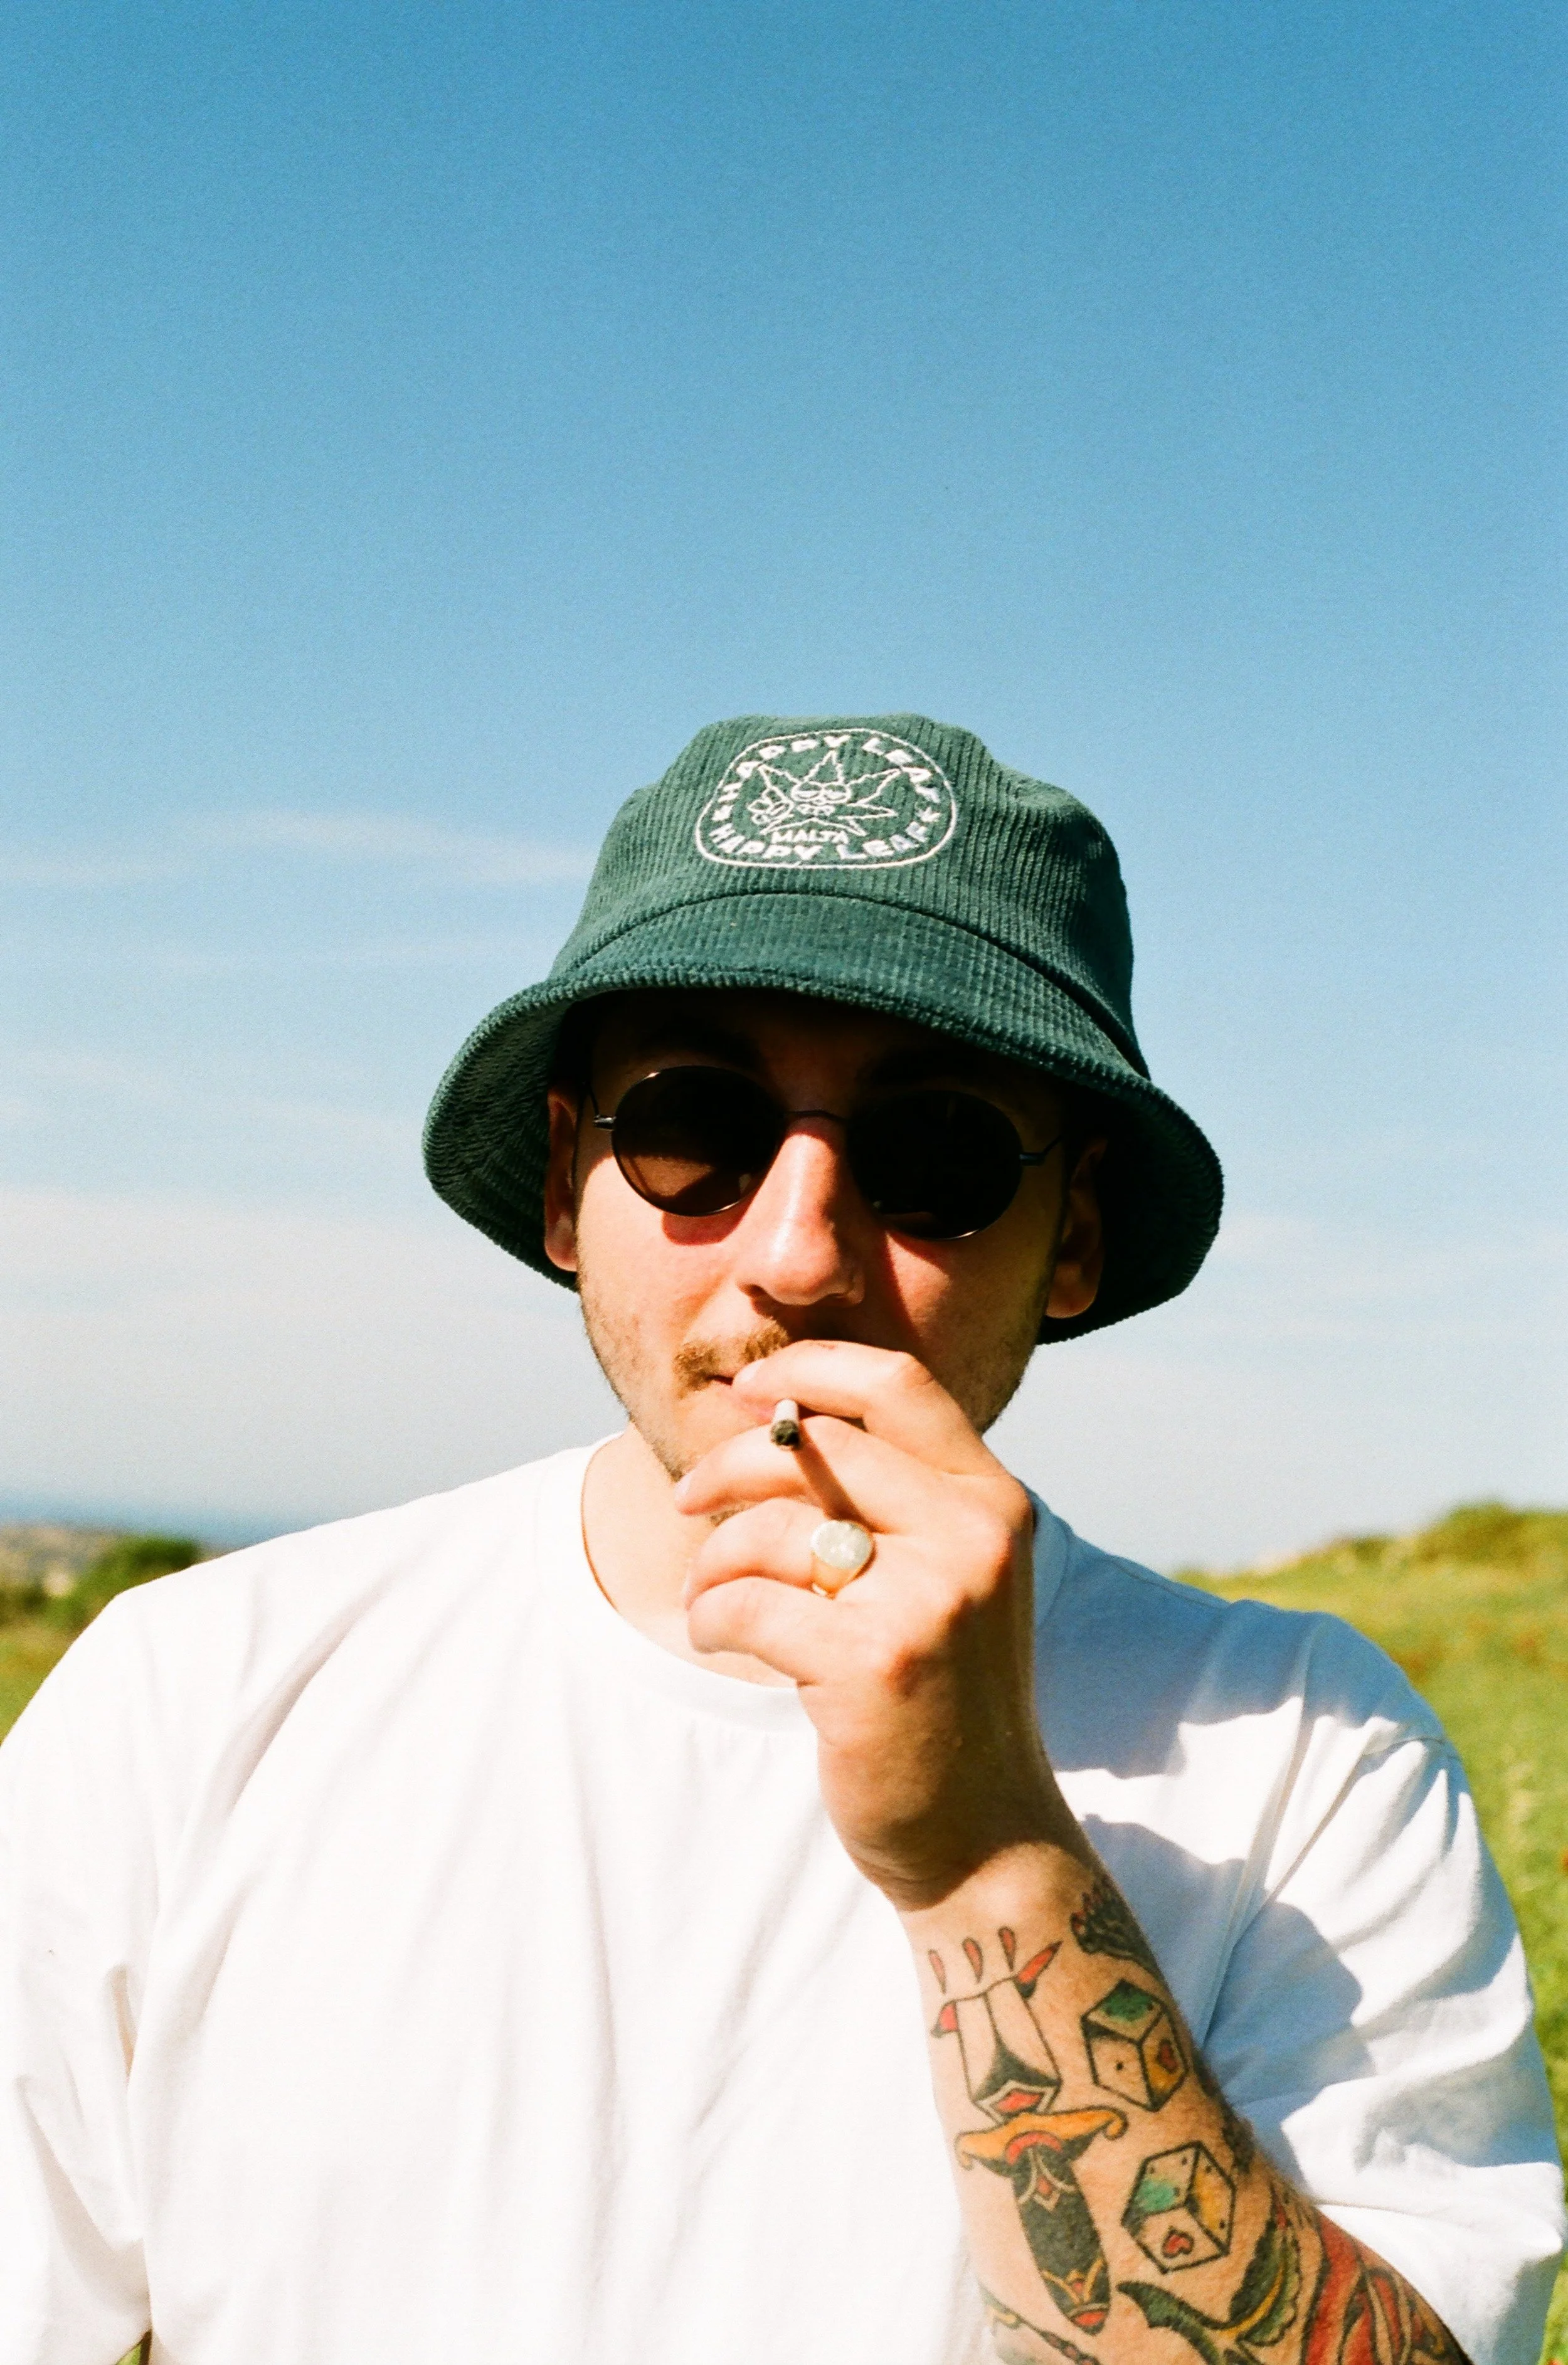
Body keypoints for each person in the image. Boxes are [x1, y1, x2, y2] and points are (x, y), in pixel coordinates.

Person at [0, 715, 1560, 2365]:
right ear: (562, 1188)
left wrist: (982, 1858)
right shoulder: (188, 1701)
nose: (799, 1253)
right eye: (694, 1128)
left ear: (1073, 1235)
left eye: (934, 1153)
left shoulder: (1305, 1753)